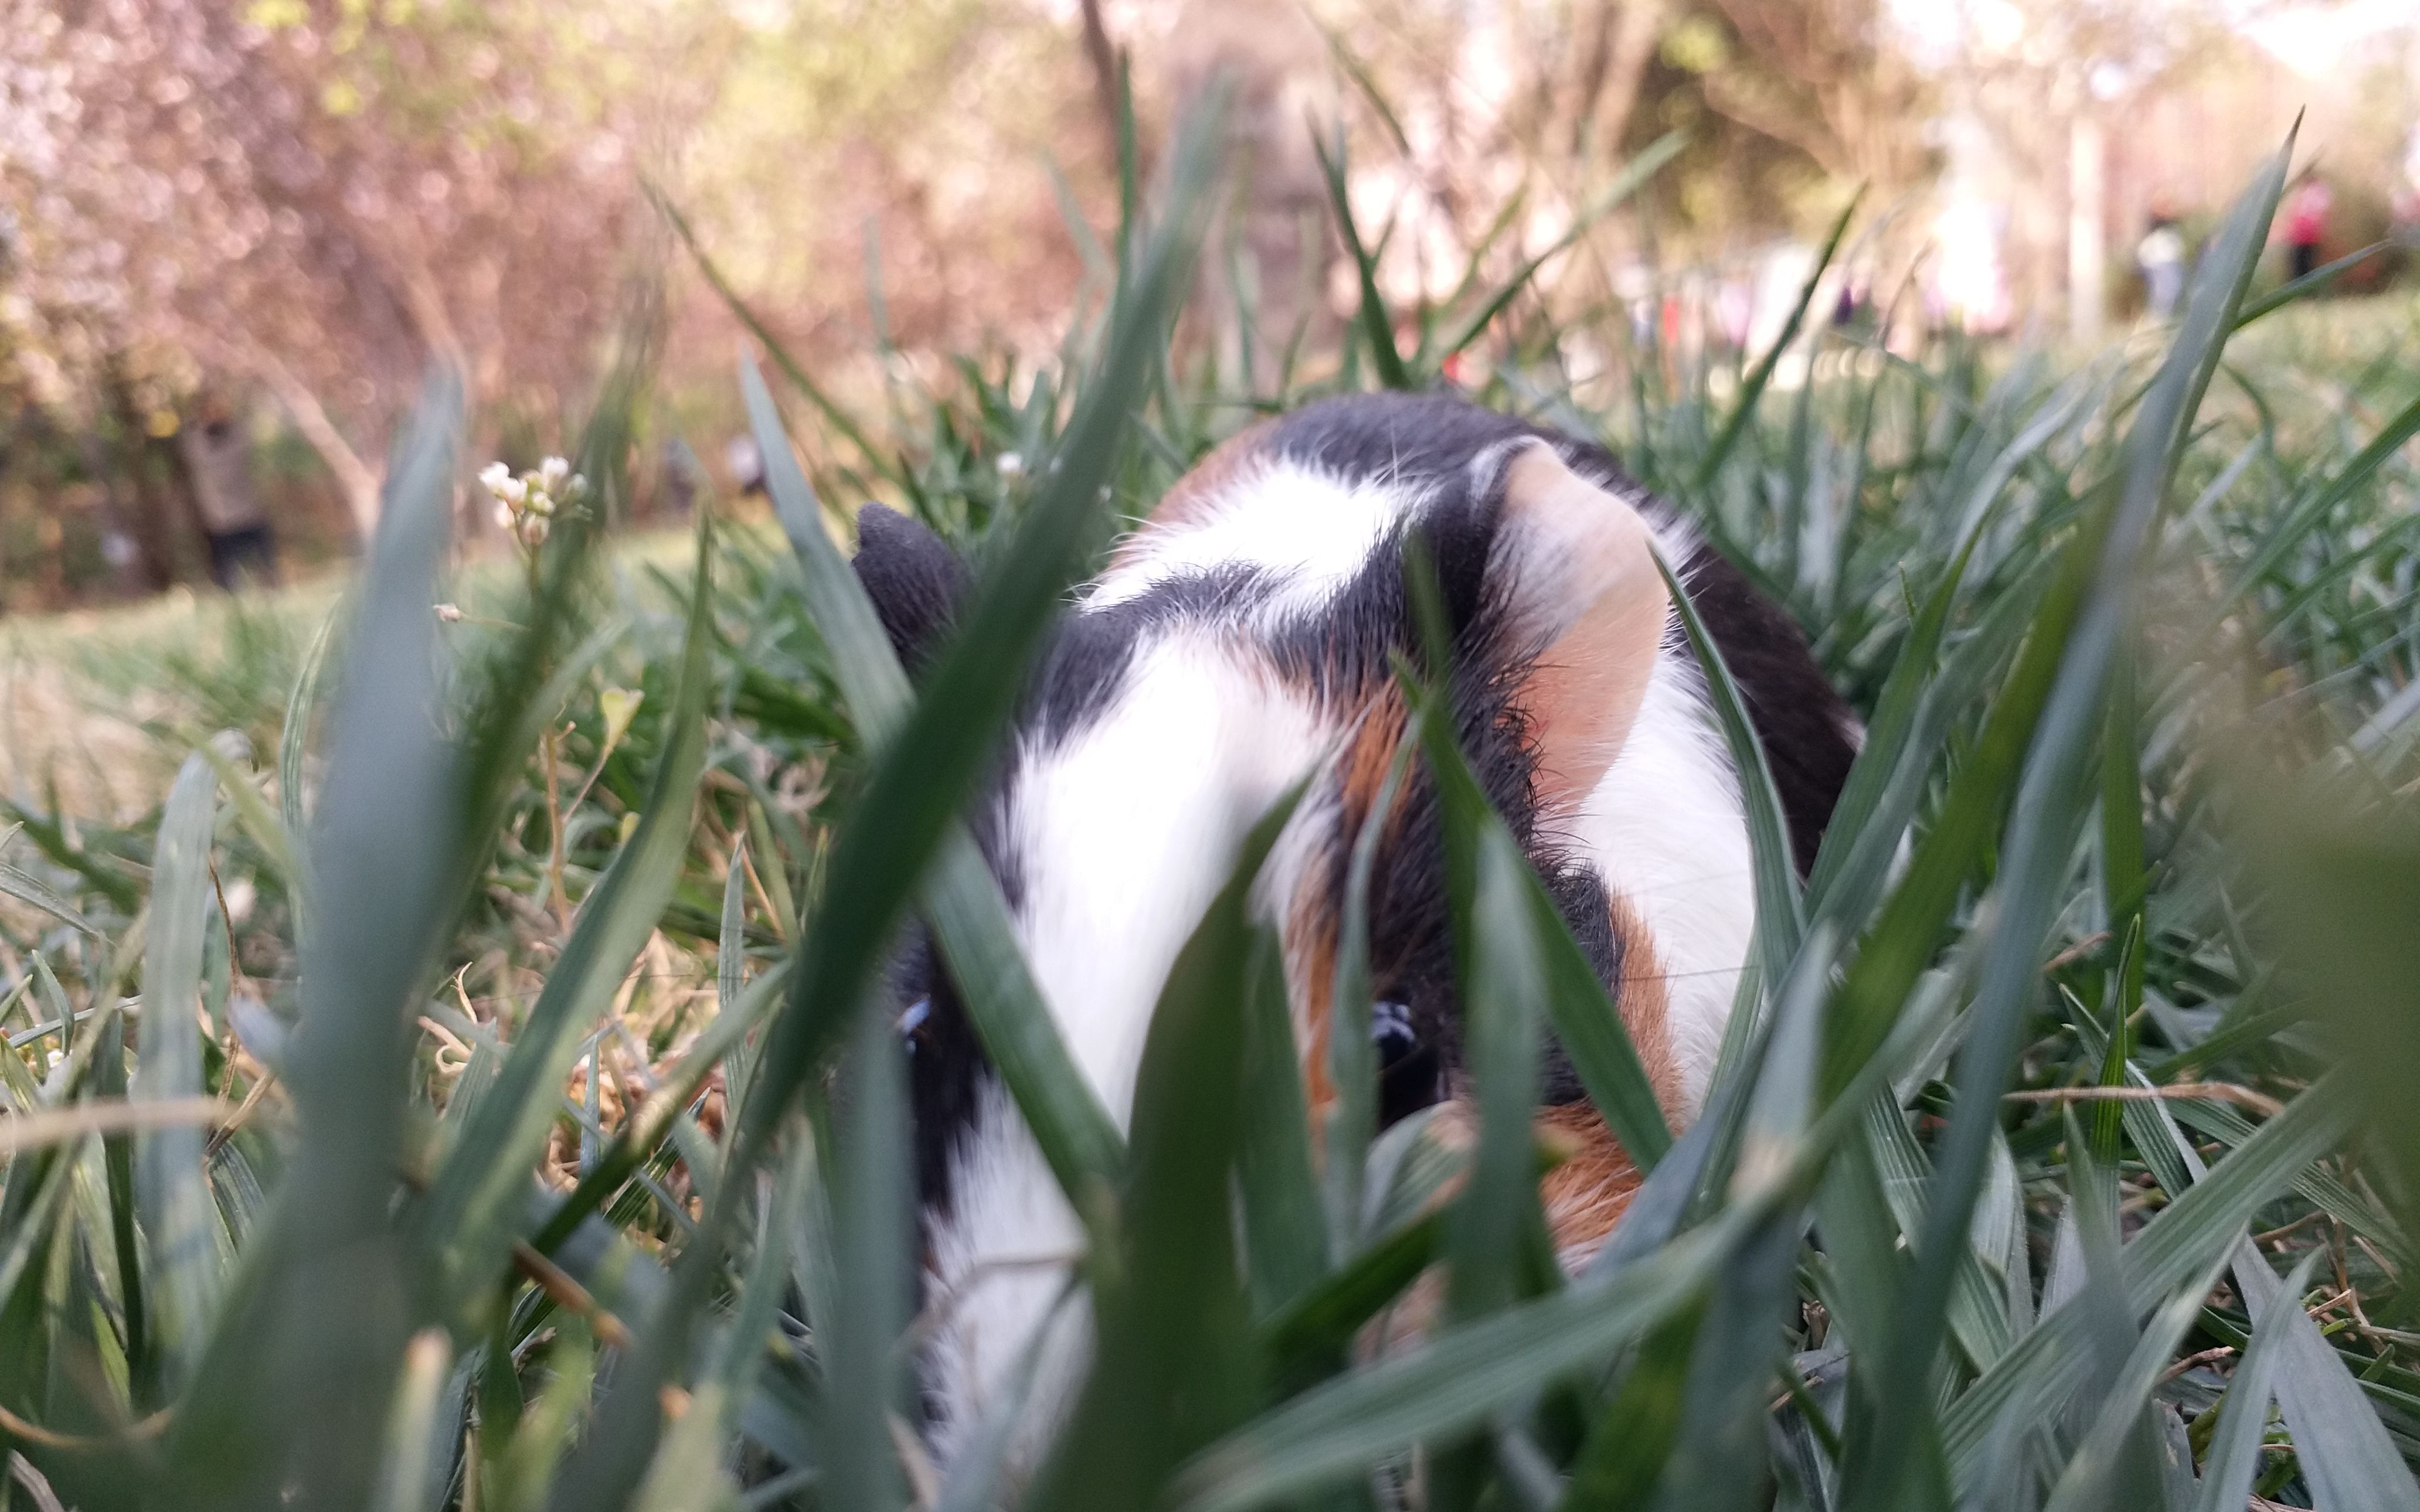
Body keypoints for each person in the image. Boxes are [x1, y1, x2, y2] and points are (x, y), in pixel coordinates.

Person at [177, 393, 277, 588]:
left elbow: (242, 445)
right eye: (210, 412)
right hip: (221, 519)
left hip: (249, 511)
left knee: (266, 569)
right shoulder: (199, 444)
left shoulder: (235, 436)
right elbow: (199, 453)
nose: (216, 415)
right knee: (228, 575)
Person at [2136, 202, 2187, 322]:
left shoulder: (2171, 232)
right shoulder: (2157, 234)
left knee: (2171, 292)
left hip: (2170, 264)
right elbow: (2144, 254)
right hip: (2160, 265)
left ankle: (2166, 319)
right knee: (2162, 295)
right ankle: (2159, 320)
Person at [2283, 174, 2331, 282]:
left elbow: (2318, 212)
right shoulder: (2317, 192)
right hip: (2303, 233)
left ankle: (2304, 285)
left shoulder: (2317, 192)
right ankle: (2301, 284)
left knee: (2305, 260)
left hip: (2307, 233)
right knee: (2302, 261)